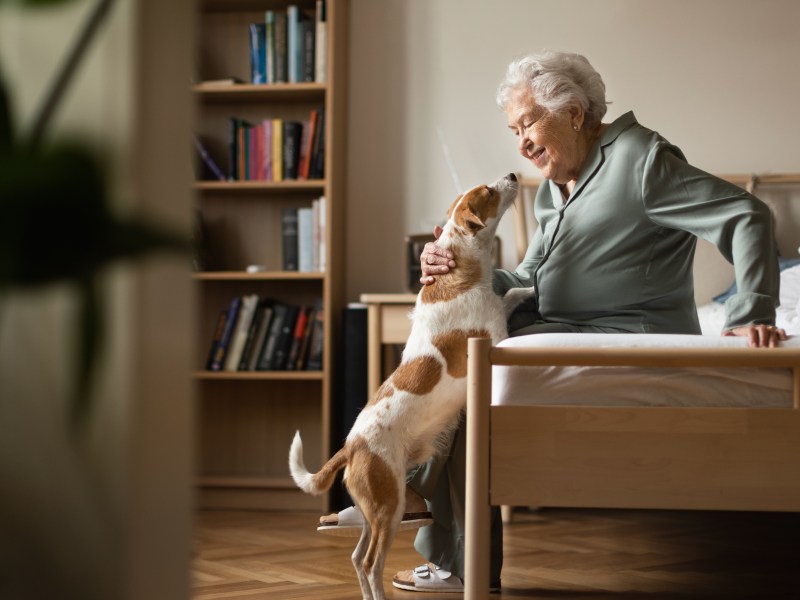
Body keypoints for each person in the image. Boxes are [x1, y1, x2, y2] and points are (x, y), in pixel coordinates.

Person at [324, 50, 788, 593]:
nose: (520, 141)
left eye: (528, 123)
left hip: (626, 334)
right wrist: (452, 266)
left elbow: (746, 215)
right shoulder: (553, 187)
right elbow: (526, 274)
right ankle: (410, 496)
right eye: (514, 129)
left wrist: (750, 311)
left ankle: (424, 513)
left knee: (479, 363)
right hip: (557, 326)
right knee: (451, 348)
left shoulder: (642, 159)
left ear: (572, 113)